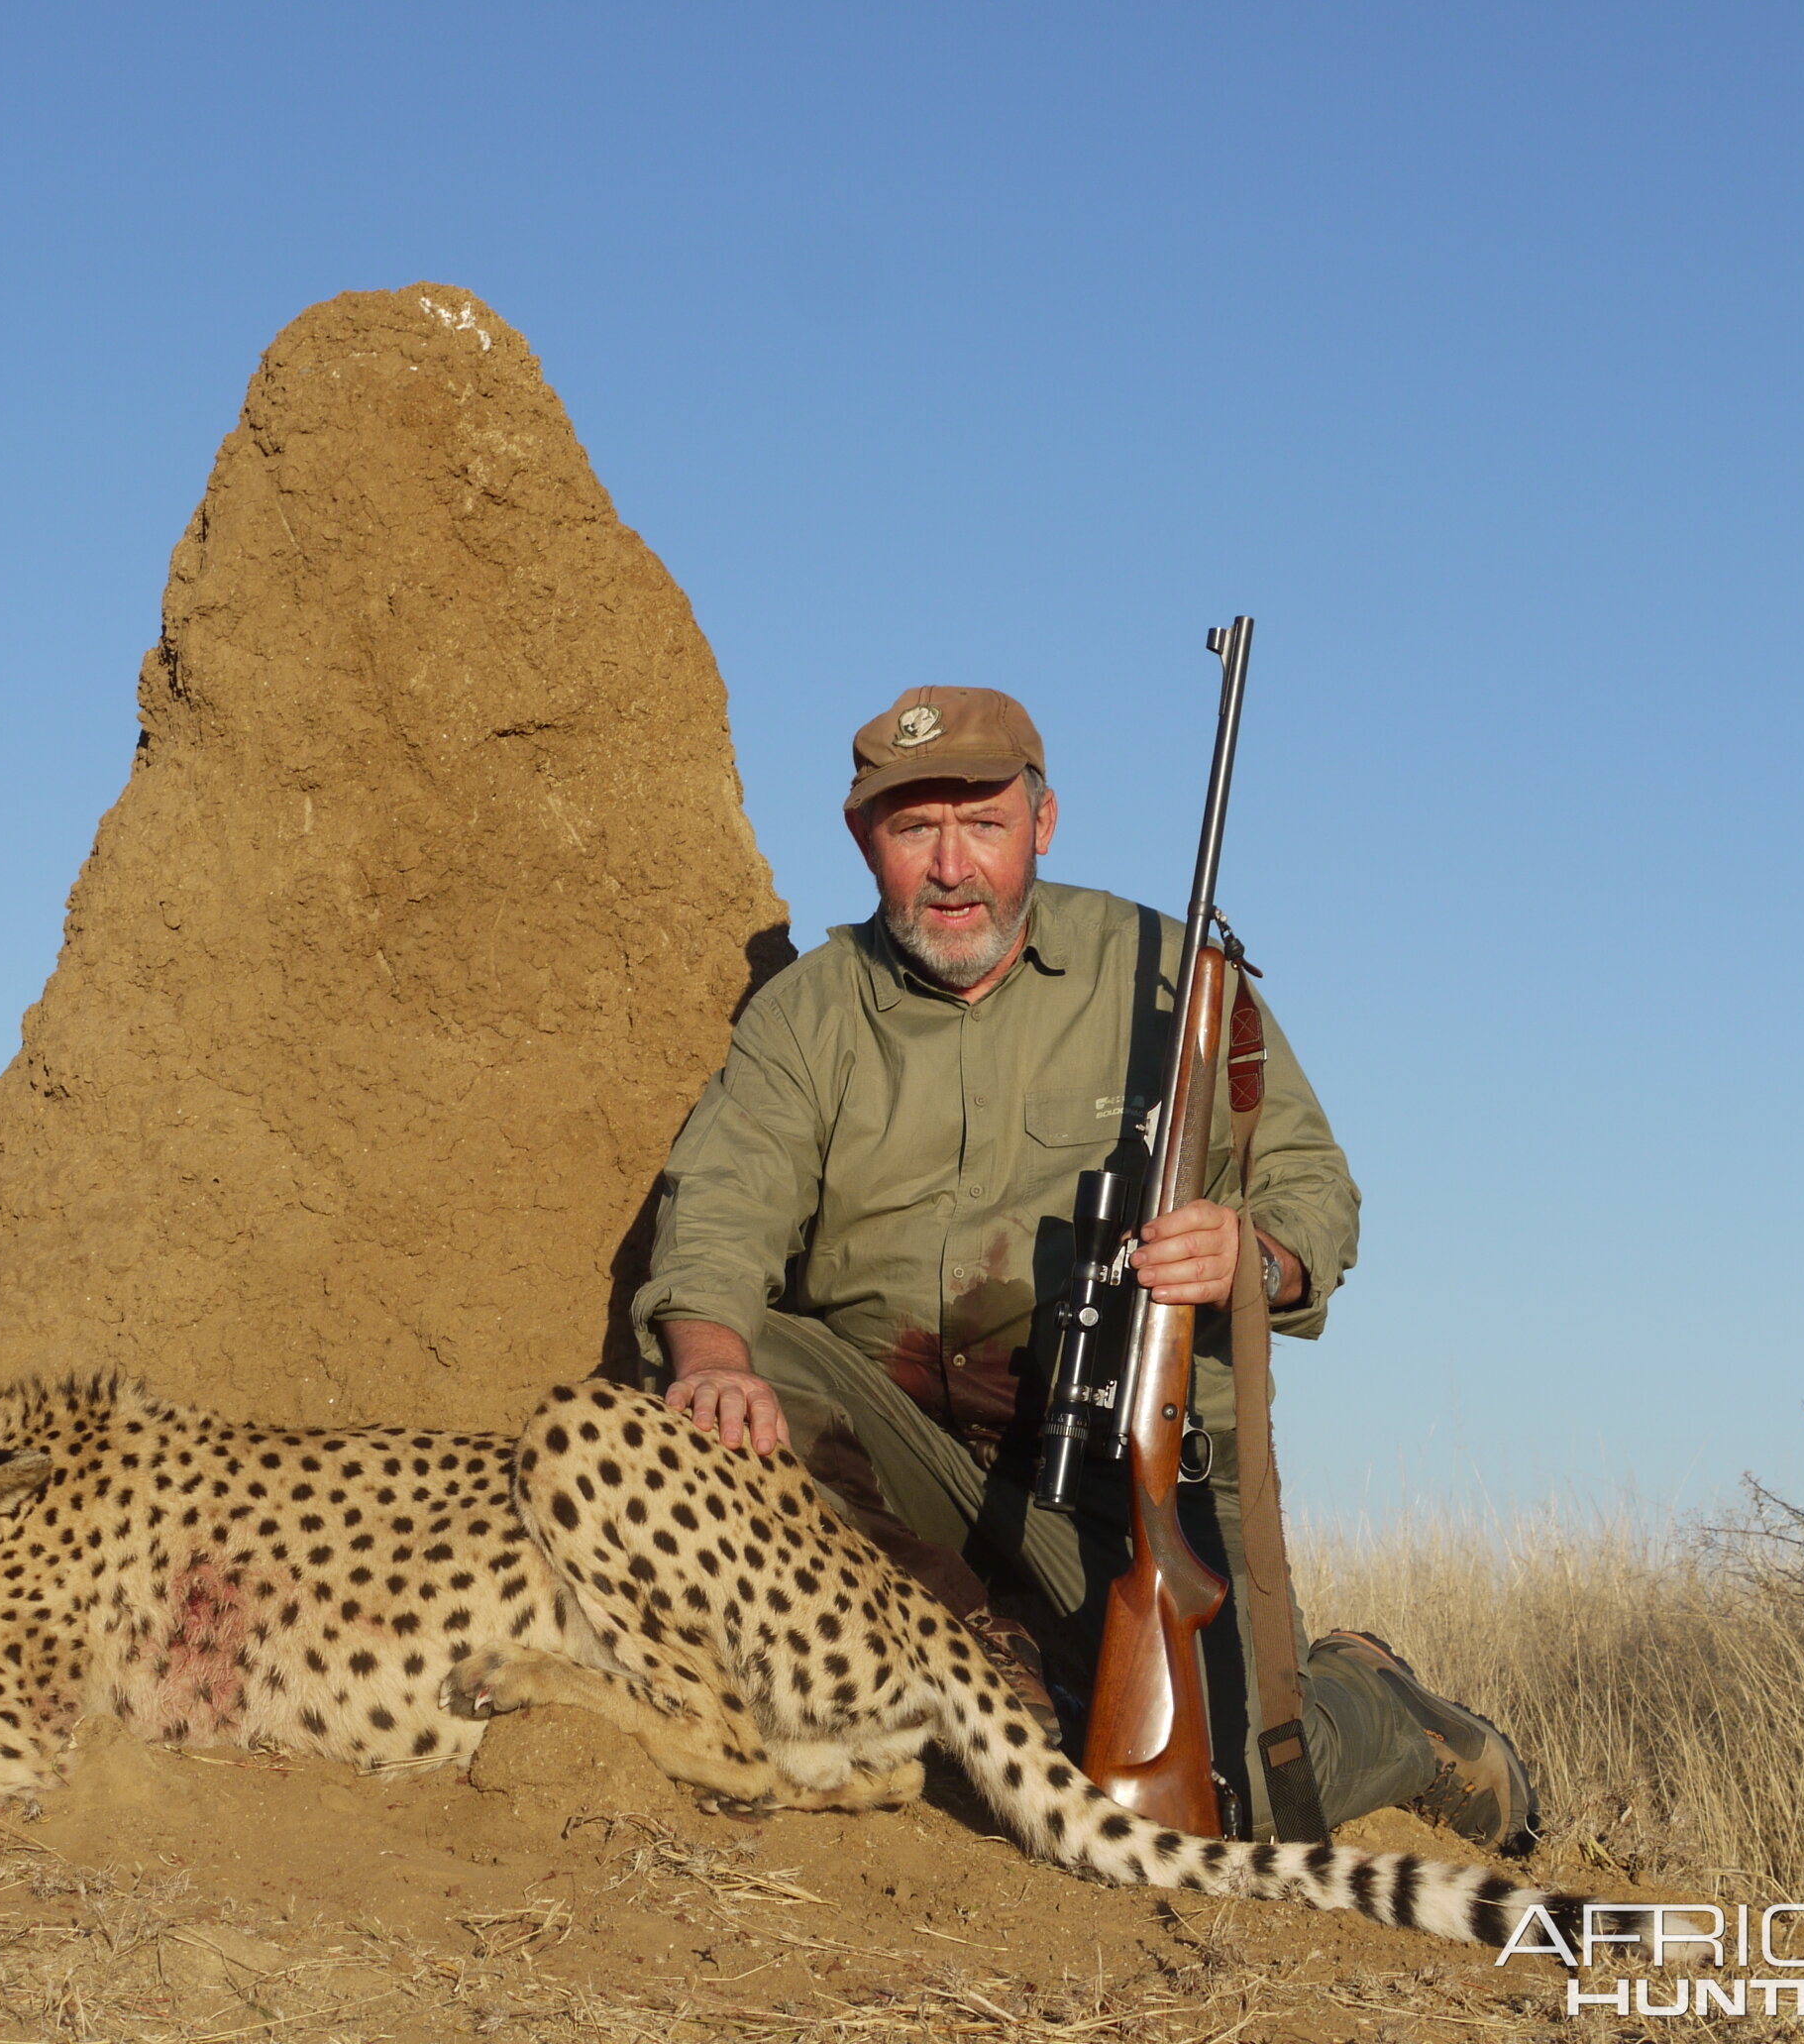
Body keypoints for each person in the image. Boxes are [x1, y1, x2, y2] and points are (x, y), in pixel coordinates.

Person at [630, 685, 1537, 1852]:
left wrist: (1250, 1254)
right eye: (914, 831)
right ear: (865, 841)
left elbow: (1313, 1187)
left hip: (1125, 1462)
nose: (950, 868)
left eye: (983, 825)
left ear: (1043, 824)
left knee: (1240, 1801)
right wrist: (707, 1359)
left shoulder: (1172, 975)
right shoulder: (806, 1012)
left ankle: (1385, 1708)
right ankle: (973, 1649)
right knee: (763, 1365)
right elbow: (718, 1206)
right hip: (900, 1464)